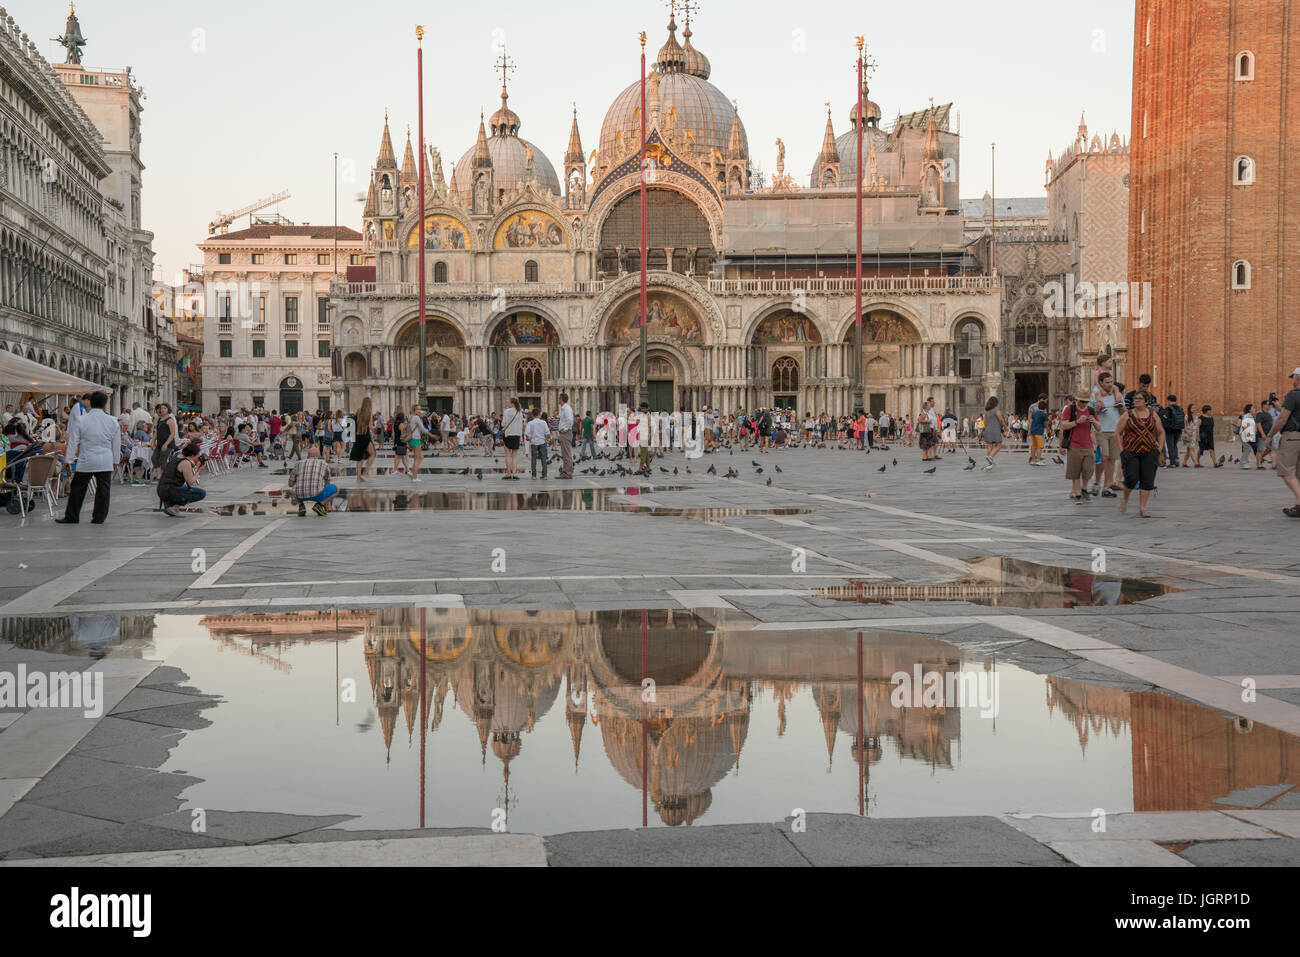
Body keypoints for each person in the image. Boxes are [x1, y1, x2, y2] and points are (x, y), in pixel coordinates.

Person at [56, 391, 119, 525]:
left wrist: (69, 460)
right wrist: (116, 461)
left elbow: (73, 442)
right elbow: (116, 443)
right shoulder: (113, 420)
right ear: (104, 404)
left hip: (87, 458)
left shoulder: (81, 420)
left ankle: (72, 516)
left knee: (78, 487)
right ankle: (99, 517)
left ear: (90, 402)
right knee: (103, 488)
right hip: (105, 458)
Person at [1116, 390, 1165, 518]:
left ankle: (1143, 508)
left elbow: (1160, 431)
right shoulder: (1128, 415)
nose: (1136, 400)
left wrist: (1159, 448)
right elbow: (1117, 432)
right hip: (1131, 451)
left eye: (1139, 398)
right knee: (1131, 479)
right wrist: (1122, 450)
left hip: (1149, 452)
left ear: (1146, 401)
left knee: (1147, 480)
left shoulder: (1153, 414)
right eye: (1135, 398)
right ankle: (1125, 499)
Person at [1261, 366, 1300, 517]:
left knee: (1286, 471)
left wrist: (1270, 435)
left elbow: (1283, 418)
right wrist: (1280, 406)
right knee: (1298, 473)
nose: (1292, 381)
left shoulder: (1293, 395)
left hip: (1292, 438)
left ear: (1297, 378)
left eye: (1293, 378)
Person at [1061, 390, 1099, 504]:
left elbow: (1099, 427)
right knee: (1075, 471)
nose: (1084, 404)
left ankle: (1084, 489)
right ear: (1076, 400)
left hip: (1088, 445)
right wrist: (1077, 422)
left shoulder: (1091, 411)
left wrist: (1094, 422)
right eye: (1082, 401)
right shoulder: (1070, 409)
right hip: (1074, 444)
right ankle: (1077, 494)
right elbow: (1064, 425)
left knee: (1088, 470)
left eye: (1086, 402)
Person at [1091, 371, 1125, 496]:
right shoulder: (1095, 395)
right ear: (1101, 383)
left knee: (1111, 459)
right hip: (1101, 431)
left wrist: (1121, 406)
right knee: (1103, 457)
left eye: (1111, 382)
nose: (1110, 384)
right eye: (1107, 382)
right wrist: (1098, 409)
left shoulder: (1118, 395)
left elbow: (1123, 412)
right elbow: (1090, 412)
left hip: (1115, 431)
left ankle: (1107, 486)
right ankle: (1097, 482)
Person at [157, 442, 208, 516]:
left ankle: (169, 503)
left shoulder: (177, 456)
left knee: (185, 487)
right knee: (201, 493)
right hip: (169, 490)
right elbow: (191, 482)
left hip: (162, 488)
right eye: (198, 455)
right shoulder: (185, 463)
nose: (199, 456)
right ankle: (174, 507)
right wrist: (199, 470)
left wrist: (193, 464)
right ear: (192, 455)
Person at [288, 445, 340, 516]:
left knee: (292, 489)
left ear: (307, 456)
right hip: (317, 495)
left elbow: (290, 484)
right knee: (336, 489)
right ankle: (319, 505)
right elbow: (327, 483)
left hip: (300, 495)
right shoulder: (324, 464)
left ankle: (301, 506)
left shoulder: (298, 464)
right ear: (319, 456)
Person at [350, 396, 376, 481]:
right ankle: (365, 472)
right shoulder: (369, 413)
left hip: (358, 436)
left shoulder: (358, 411)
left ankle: (358, 477)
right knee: (373, 454)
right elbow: (370, 426)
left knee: (359, 458)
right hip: (365, 436)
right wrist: (375, 427)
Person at [152, 403, 178, 474]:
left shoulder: (170, 420)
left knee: (163, 460)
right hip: (159, 443)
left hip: (168, 444)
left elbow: (172, 433)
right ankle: (160, 473)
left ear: (168, 409)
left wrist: (166, 444)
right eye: (161, 408)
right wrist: (153, 441)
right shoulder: (160, 419)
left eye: (164, 408)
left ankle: (166, 477)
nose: (162, 409)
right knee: (154, 458)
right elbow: (157, 431)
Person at [502, 398, 525, 479]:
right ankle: (514, 474)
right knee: (515, 456)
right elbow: (521, 425)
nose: (508, 403)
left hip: (508, 435)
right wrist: (522, 437)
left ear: (512, 403)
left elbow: (503, 424)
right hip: (517, 435)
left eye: (508, 402)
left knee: (508, 455)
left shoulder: (506, 411)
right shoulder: (519, 412)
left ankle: (508, 474)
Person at [981, 396, 1006, 469]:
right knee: (999, 445)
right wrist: (1005, 427)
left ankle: (990, 463)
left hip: (987, 429)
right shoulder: (996, 410)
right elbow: (1001, 420)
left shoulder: (986, 412)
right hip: (995, 429)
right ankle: (990, 457)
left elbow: (985, 423)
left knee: (989, 446)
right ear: (995, 403)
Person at [525, 407, 550, 478]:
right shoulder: (544, 422)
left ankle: (534, 475)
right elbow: (547, 433)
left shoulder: (530, 423)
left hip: (534, 442)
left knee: (533, 458)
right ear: (539, 415)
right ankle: (544, 475)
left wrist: (529, 439)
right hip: (542, 442)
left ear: (532, 415)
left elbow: (527, 434)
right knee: (543, 459)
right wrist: (546, 439)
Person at [1161, 394, 1184, 467]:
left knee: (1170, 446)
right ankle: (1176, 459)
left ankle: (1172, 462)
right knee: (1175, 445)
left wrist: (1165, 429)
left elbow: (1165, 420)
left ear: (1168, 401)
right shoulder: (1180, 408)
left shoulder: (1168, 409)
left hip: (1170, 430)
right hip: (1179, 429)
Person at [556, 392, 575, 479]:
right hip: (564, 433)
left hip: (566, 433)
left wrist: (565, 429)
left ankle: (567, 472)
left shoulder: (566, 408)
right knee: (565, 453)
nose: (558, 400)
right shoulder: (564, 408)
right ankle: (565, 472)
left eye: (559, 398)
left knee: (566, 454)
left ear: (562, 399)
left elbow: (570, 420)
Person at [1028, 396, 1049, 465]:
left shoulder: (1035, 413)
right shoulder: (1044, 414)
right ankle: (1038, 460)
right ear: (1045, 407)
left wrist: (1029, 429)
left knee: (1033, 446)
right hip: (1039, 431)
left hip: (1033, 431)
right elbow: (1046, 424)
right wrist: (1048, 430)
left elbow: (1031, 420)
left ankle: (1033, 460)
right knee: (1040, 446)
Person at [1237, 404, 1257, 470]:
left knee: (1247, 449)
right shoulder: (1247, 416)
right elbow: (1244, 426)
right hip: (1244, 434)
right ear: (1249, 409)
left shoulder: (1250, 416)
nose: (1255, 409)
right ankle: (1243, 463)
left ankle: (1244, 463)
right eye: (1253, 408)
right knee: (1247, 448)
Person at [392, 410, 410, 475]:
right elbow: (403, 434)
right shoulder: (401, 424)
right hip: (401, 442)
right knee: (399, 457)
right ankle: (394, 470)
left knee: (402, 457)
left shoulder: (395, 424)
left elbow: (394, 433)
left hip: (397, 441)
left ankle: (407, 470)